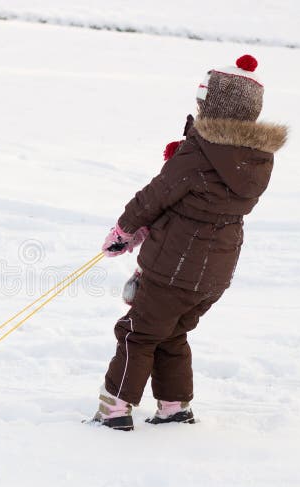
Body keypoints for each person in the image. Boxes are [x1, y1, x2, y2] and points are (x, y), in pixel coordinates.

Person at [91, 55, 288, 431]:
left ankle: (114, 411)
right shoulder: (257, 159)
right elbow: (203, 202)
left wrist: (124, 230)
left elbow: (156, 195)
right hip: (214, 273)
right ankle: (174, 408)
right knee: (171, 333)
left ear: (211, 106)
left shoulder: (198, 153)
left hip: (174, 267)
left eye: (202, 101)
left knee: (138, 333)